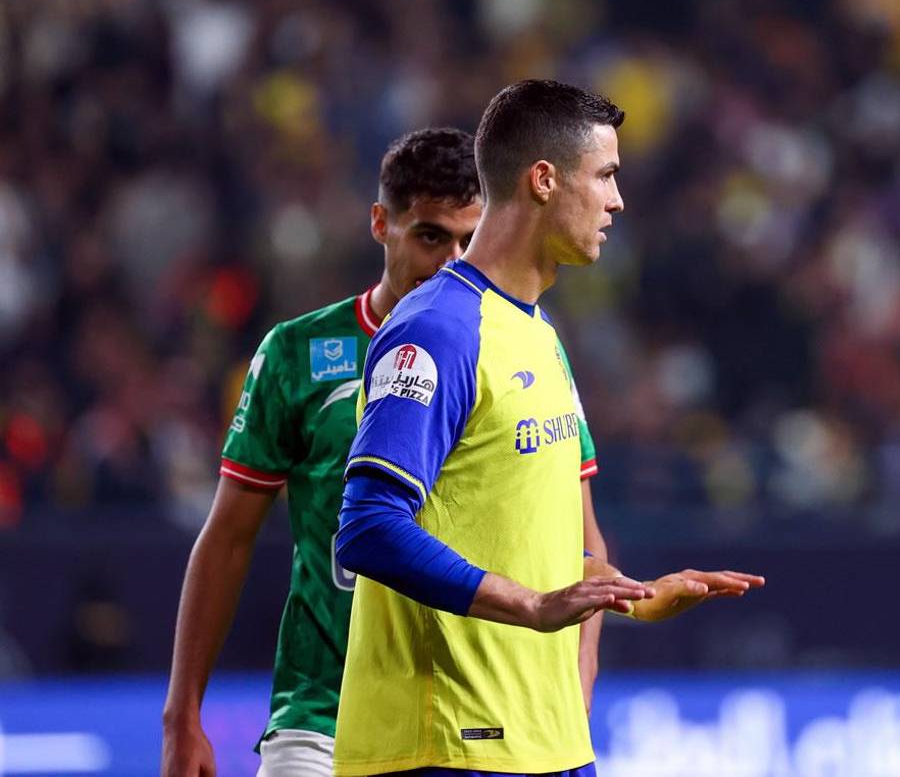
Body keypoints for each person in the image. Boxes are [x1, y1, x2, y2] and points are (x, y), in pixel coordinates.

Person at [334, 79, 765, 776]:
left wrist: (642, 594)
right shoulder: (438, 329)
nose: (617, 200)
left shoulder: (541, 337)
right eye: (606, 176)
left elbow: (537, 545)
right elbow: (367, 526)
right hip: (448, 744)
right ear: (543, 180)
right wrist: (531, 605)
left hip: (547, 744)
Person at [161, 128, 606, 777]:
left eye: (468, 239)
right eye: (430, 236)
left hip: (473, 717)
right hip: (322, 715)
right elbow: (228, 536)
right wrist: (183, 714)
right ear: (381, 224)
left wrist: (573, 697)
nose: (452, 260)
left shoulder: (530, 343)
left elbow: (583, 540)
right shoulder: (298, 354)